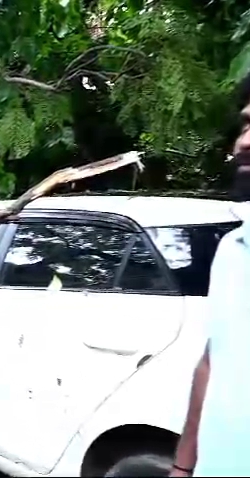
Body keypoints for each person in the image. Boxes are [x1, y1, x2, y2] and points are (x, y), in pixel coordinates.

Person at [170, 75, 250, 477]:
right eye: (246, 125)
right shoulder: (233, 250)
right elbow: (212, 361)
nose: (245, 141)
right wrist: (184, 467)